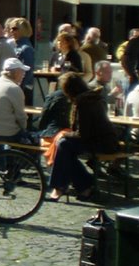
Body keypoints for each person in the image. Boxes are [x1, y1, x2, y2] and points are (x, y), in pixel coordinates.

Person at [46, 74, 120, 202]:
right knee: (65, 150)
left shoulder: (83, 103)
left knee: (63, 145)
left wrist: (65, 134)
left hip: (101, 142)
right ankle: (84, 186)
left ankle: (60, 186)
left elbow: (82, 133)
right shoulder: (91, 98)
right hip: (103, 139)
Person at [0, 58, 30, 143]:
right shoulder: (14, 88)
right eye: (22, 71)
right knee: (35, 136)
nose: (24, 74)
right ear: (16, 73)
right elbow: (21, 117)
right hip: (7, 134)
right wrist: (25, 130)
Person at [9, 17, 35, 105]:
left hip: (22, 89)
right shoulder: (15, 46)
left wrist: (20, 88)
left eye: (14, 28)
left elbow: (28, 71)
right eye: (10, 28)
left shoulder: (26, 49)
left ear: (23, 30)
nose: (11, 31)